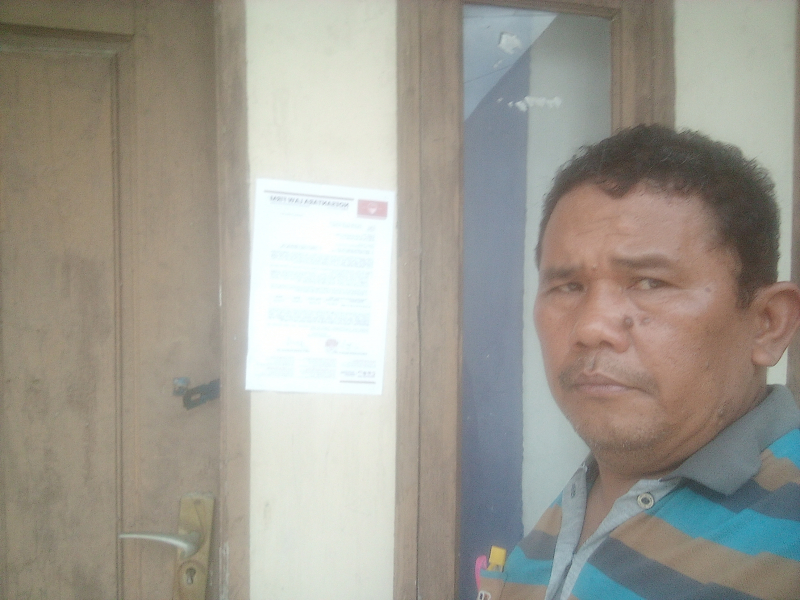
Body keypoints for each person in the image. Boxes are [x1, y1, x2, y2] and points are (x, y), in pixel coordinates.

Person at [477, 124, 800, 600]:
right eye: (568, 286)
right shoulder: (574, 506)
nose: (591, 327)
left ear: (767, 323)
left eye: (650, 282)